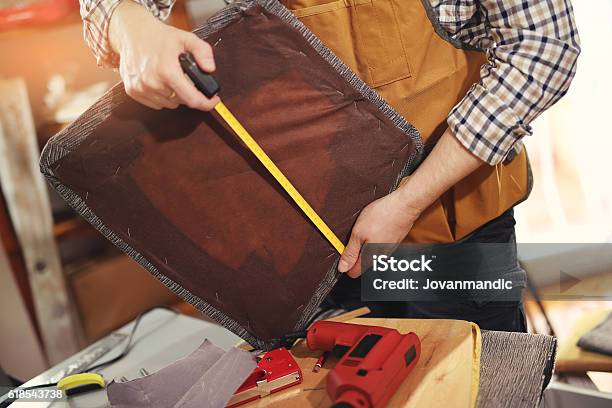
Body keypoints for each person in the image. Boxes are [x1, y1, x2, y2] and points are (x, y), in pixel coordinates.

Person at [78, 0, 580, 331]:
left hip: (451, 240)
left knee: (475, 388)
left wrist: (409, 200)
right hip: (303, 254)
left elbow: (544, 48)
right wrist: (132, 25)